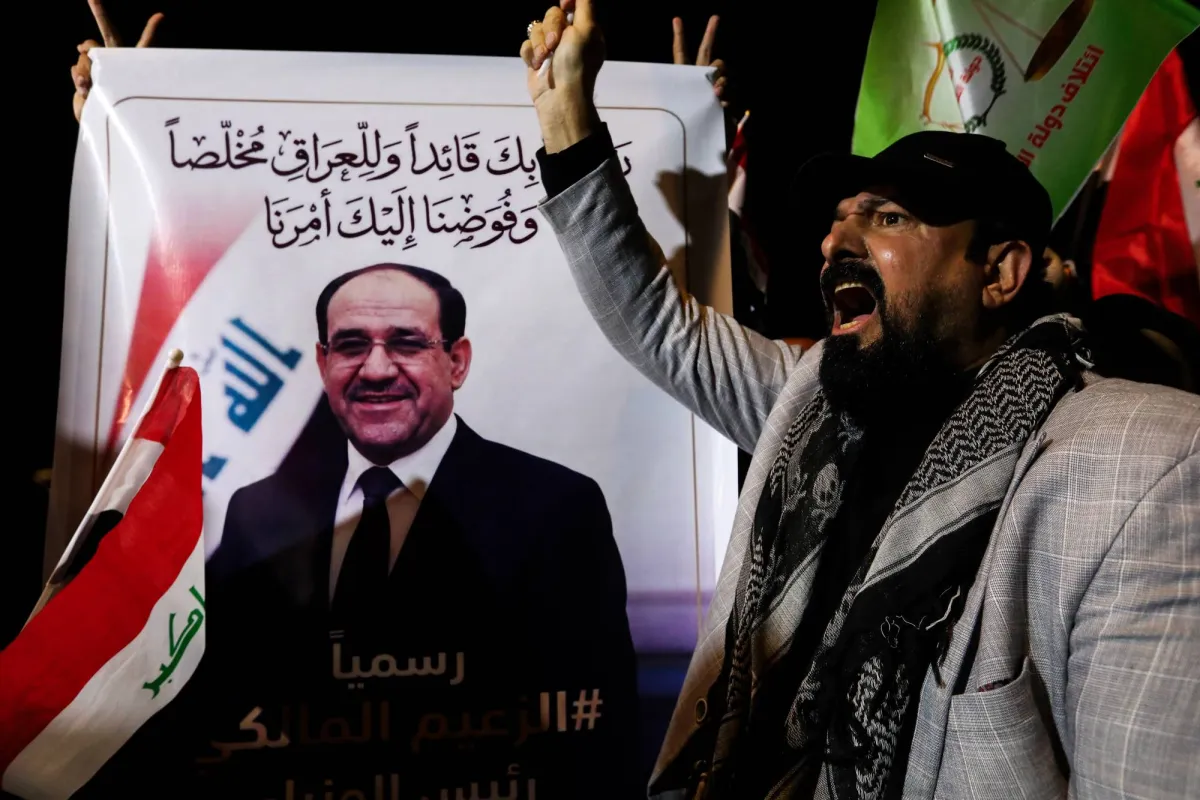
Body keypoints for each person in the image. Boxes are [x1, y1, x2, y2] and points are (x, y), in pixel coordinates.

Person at [519, 2, 1200, 798]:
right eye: (838, 220)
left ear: (999, 272)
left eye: (888, 218)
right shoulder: (813, 404)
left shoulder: (1145, 466)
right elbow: (661, 328)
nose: (834, 241)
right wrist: (567, 122)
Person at [189, 262, 640, 798]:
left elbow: (594, 731)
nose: (376, 370)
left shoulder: (555, 507)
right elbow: (230, 708)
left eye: (406, 344)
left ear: (457, 362)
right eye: (351, 345)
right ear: (323, 363)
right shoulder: (257, 510)